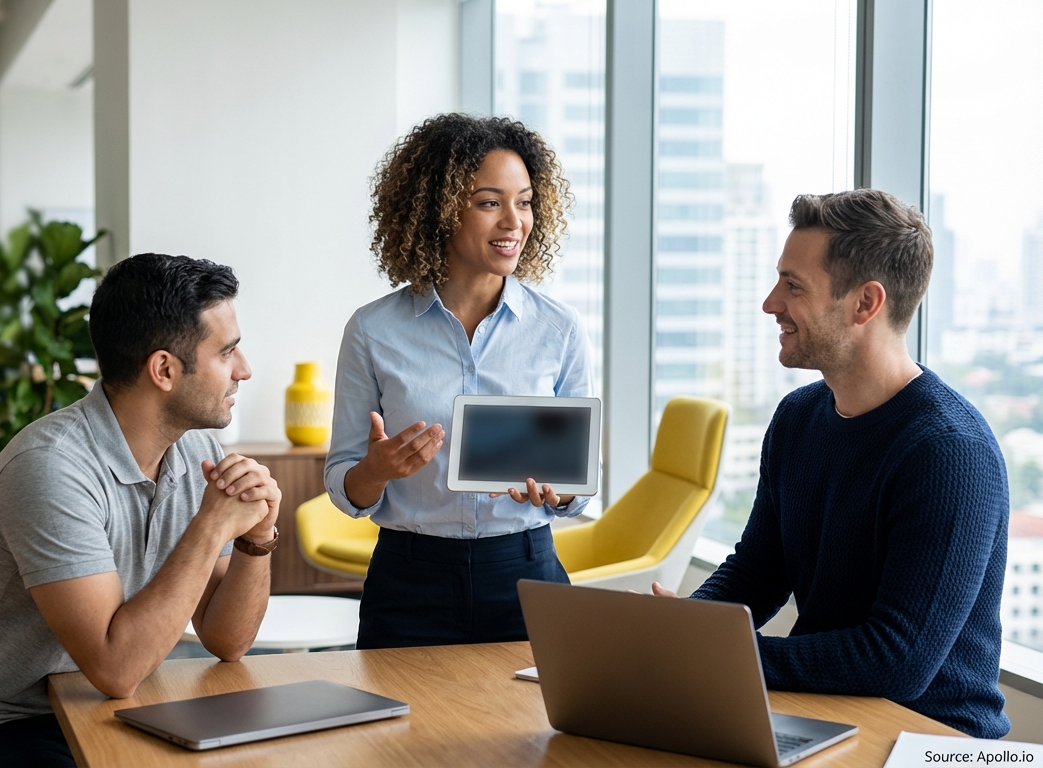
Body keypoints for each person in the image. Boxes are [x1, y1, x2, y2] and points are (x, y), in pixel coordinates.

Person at [652, 189, 1010, 738]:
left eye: (793, 286)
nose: (771, 303)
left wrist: (722, 657)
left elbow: (898, 660)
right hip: (829, 716)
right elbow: (758, 570)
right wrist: (678, 632)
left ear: (866, 303)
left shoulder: (949, 452)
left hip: (933, 738)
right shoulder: (798, 417)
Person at [0, 254, 283, 767]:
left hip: (111, 705)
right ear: (165, 370)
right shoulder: (50, 468)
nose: (244, 370)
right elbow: (116, 666)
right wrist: (212, 523)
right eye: (227, 352)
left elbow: (226, 639)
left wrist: (256, 539)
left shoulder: (200, 455)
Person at [324, 113, 594, 650]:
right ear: (440, 209)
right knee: (398, 733)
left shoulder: (559, 329)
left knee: (534, 732)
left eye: (525, 201)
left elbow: (583, 482)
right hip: (409, 578)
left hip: (526, 571)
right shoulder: (372, 330)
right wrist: (373, 473)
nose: (514, 222)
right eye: (490, 202)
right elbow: (342, 480)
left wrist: (562, 493)